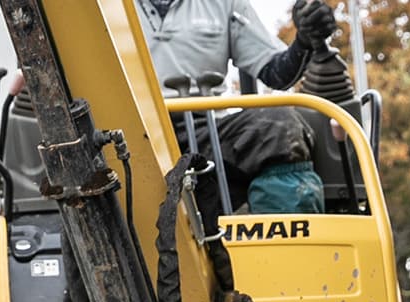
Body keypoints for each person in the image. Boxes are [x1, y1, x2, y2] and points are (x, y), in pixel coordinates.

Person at [138, 0, 337, 214]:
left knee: (279, 127)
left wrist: (304, 42)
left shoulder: (225, 4)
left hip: (205, 131)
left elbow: (275, 71)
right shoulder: (100, 7)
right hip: (126, 126)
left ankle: (285, 242)